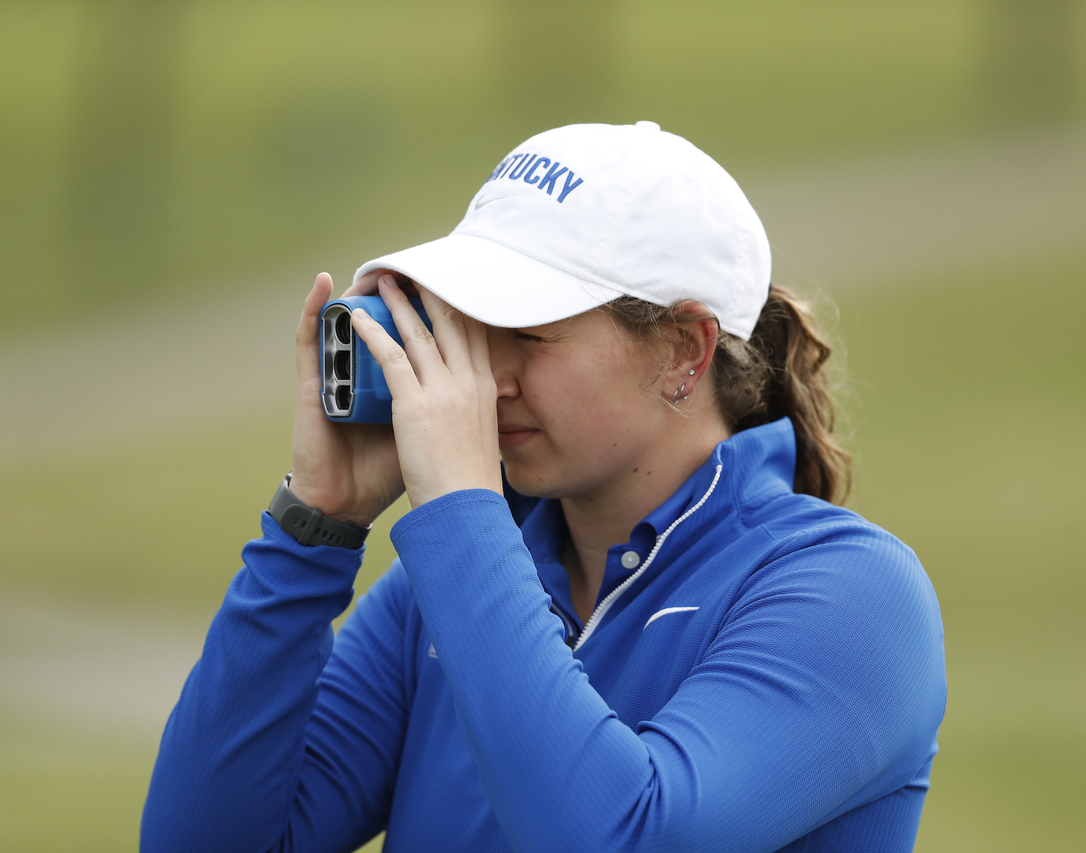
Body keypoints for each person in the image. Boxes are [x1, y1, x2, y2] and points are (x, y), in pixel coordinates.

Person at [141, 121, 945, 853]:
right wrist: (313, 529)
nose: (482, 380)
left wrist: (461, 518)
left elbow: (619, 835)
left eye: (525, 333)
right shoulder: (456, 580)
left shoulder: (851, 594)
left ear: (685, 352)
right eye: (467, 329)